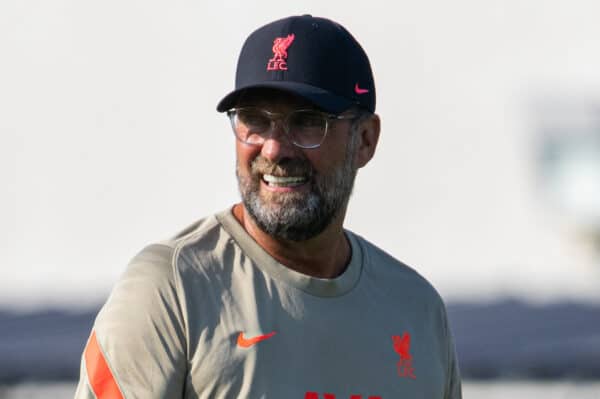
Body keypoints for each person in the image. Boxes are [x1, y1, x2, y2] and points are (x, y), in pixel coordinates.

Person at [75, 15, 462, 399]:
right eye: (255, 120)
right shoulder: (170, 288)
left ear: (365, 140)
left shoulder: (417, 310)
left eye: (307, 121)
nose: (275, 148)